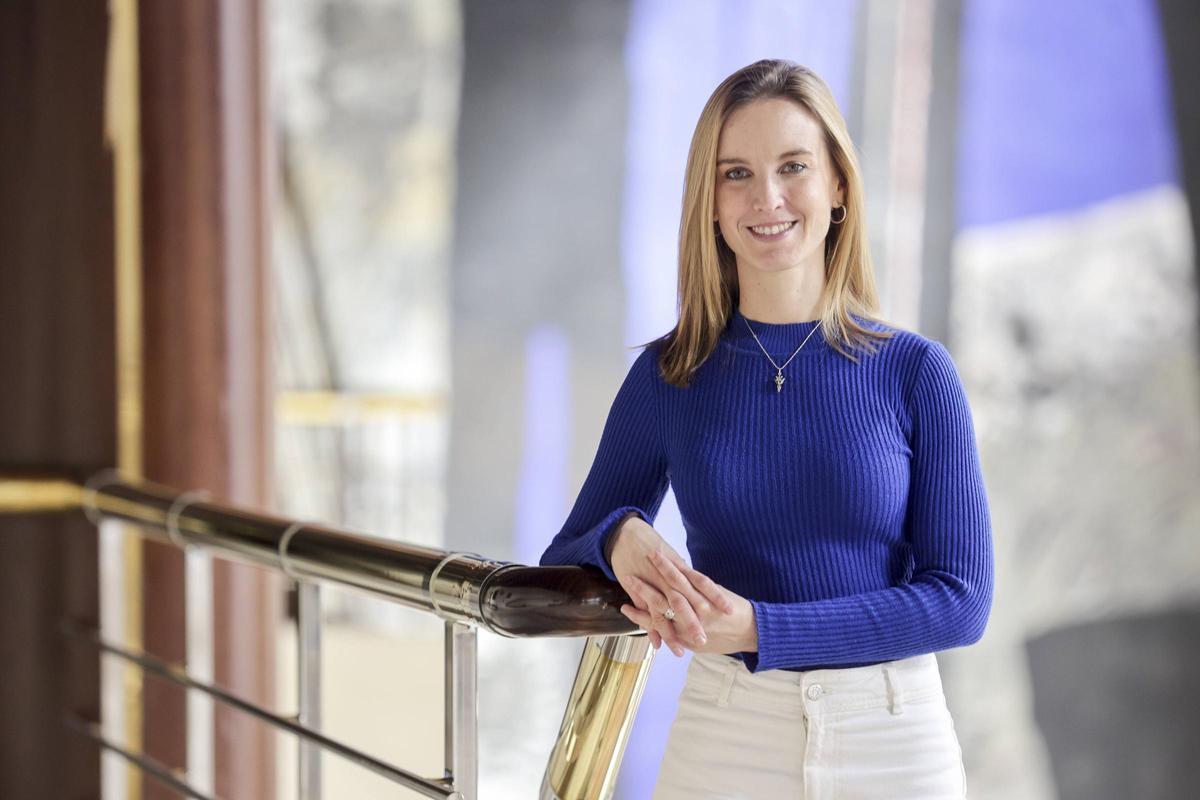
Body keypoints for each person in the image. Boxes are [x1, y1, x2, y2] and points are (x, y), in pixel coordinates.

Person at [539, 58, 993, 799]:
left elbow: (961, 599)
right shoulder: (670, 374)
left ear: (838, 185)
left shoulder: (916, 371)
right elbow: (567, 551)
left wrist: (760, 629)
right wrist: (621, 535)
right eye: (737, 173)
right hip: (727, 736)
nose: (768, 197)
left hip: (893, 740)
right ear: (710, 201)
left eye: (794, 167)